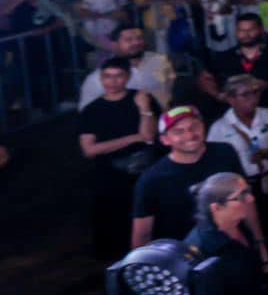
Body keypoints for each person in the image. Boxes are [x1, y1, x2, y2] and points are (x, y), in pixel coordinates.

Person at [132, 107, 257, 249]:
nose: (190, 135)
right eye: (179, 131)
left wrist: (259, 242)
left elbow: (247, 201)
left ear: (203, 127)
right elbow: (142, 235)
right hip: (183, 256)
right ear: (165, 140)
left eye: (194, 127)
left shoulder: (225, 152)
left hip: (235, 247)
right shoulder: (151, 180)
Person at [182, 173, 268, 295]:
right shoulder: (201, 252)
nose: (251, 199)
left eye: (248, 191)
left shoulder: (238, 223)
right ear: (216, 208)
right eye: (241, 196)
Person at [77, 56, 158, 259]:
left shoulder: (141, 99)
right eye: (107, 76)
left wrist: (144, 109)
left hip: (144, 168)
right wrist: (133, 138)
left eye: (118, 76)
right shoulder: (92, 110)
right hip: (111, 173)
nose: (112, 82)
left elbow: (149, 136)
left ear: (127, 77)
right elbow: (89, 150)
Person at [206, 75, 268, 237]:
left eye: (256, 92)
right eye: (246, 94)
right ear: (231, 99)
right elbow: (213, 161)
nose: (253, 98)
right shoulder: (219, 129)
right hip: (241, 186)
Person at [199, 13, 268, 112]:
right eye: (241, 30)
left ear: (261, 30)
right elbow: (204, 78)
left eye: (251, 30)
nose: (246, 34)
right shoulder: (226, 56)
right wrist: (218, 95)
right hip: (237, 114)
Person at [77, 23, 175, 111]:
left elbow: (171, 89)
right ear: (115, 44)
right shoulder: (98, 77)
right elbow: (86, 111)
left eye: (139, 38)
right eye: (129, 40)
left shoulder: (160, 61)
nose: (136, 43)